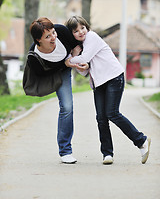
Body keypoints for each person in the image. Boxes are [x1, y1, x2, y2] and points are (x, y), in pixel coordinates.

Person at [65, 15, 151, 165]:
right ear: (71, 34)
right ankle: (107, 154)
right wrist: (75, 57)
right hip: (99, 83)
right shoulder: (82, 47)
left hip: (113, 77)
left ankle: (141, 140)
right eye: (75, 31)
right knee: (101, 118)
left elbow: (84, 59)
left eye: (82, 28)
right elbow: (84, 71)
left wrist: (69, 61)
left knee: (112, 113)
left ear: (87, 27)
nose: (81, 32)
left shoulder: (92, 37)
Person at [28, 17, 88, 164]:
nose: (53, 37)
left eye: (53, 33)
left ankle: (65, 150)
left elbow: (80, 43)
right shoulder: (34, 57)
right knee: (65, 106)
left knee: (68, 106)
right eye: (48, 37)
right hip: (53, 72)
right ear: (38, 40)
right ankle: (65, 151)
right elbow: (42, 74)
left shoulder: (61, 31)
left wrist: (75, 56)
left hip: (66, 66)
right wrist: (65, 64)